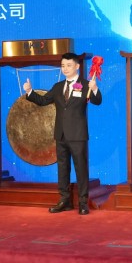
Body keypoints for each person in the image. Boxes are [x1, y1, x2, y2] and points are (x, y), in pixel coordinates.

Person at [23, 53, 102, 215]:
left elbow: (97, 101)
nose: (65, 69)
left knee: (81, 169)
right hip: (60, 134)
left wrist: (94, 89)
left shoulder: (86, 84)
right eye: (63, 66)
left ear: (77, 66)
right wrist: (30, 92)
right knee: (62, 168)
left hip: (78, 135)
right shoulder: (58, 87)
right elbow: (44, 101)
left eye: (69, 65)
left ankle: (82, 202)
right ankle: (64, 200)